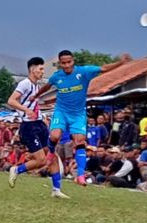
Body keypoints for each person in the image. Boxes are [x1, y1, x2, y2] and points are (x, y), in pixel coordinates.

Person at [33, 50, 131, 186]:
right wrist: (35, 96)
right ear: (60, 64)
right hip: (61, 112)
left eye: (69, 62)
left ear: (73, 61)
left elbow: (103, 68)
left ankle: (80, 175)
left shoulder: (84, 72)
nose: (67, 65)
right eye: (63, 63)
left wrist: (121, 62)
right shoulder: (57, 76)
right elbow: (47, 86)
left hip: (78, 114)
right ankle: (50, 152)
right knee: (55, 136)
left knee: (79, 141)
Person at [7, 57, 69, 198]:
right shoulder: (25, 84)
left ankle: (56, 190)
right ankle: (16, 170)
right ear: (32, 69)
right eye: (40, 69)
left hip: (39, 124)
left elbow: (33, 105)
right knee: (41, 160)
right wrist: (26, 111)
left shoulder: (36, 86)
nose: (42, 72)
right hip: (28, 126)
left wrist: (42, 118)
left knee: (52, 155)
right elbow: (11, 100)